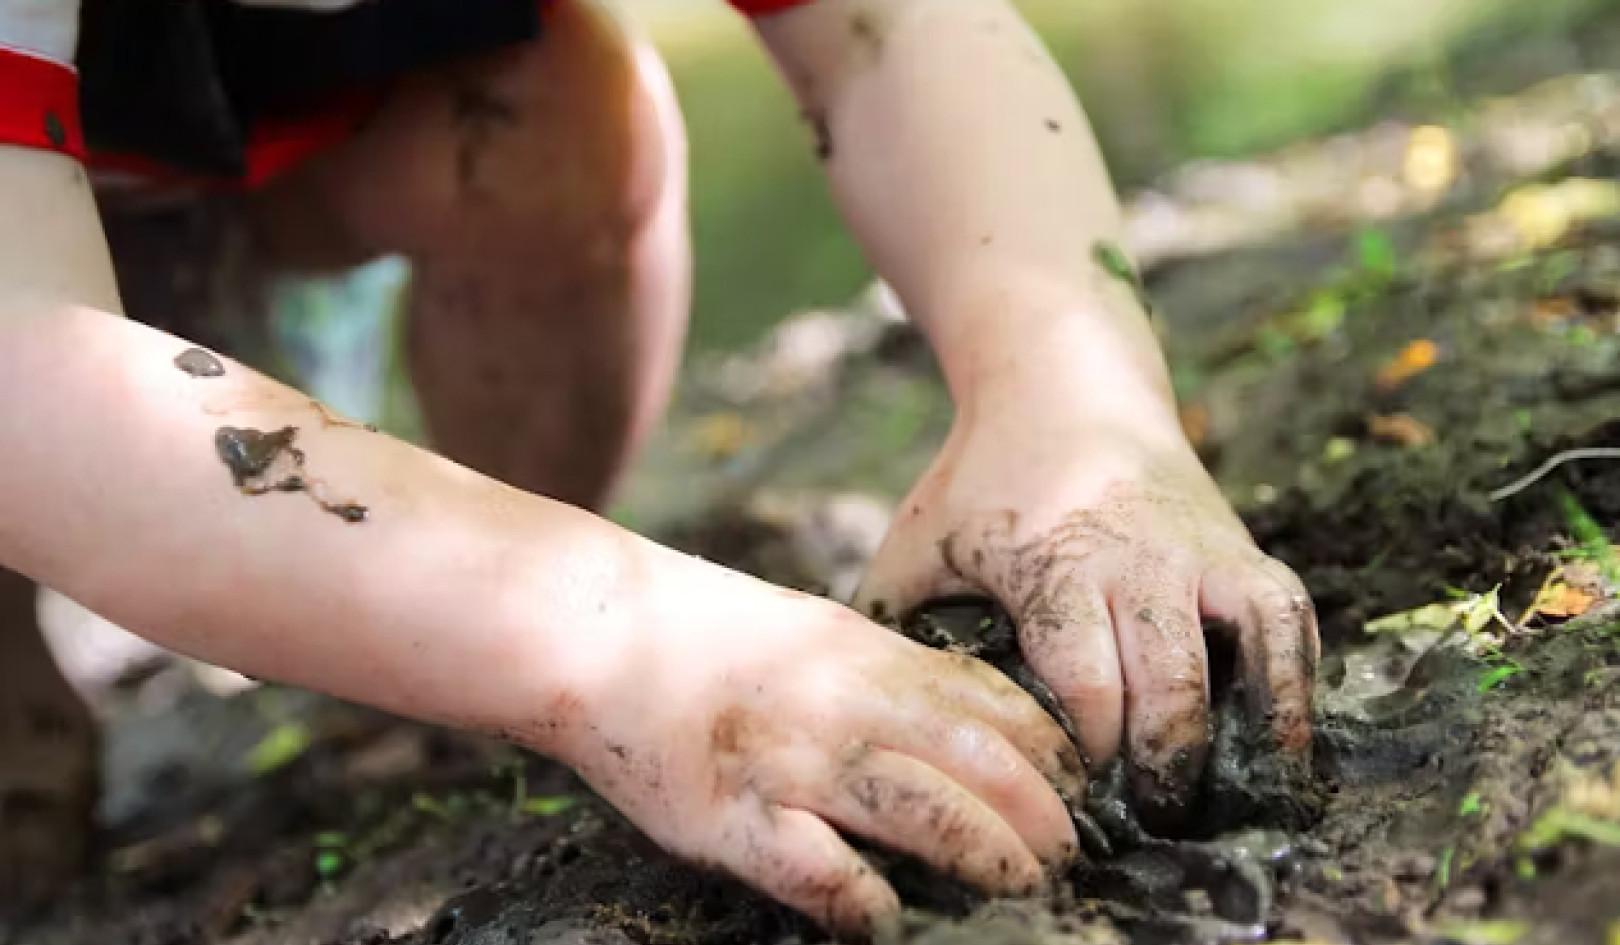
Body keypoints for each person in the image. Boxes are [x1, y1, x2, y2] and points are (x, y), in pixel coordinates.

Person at [0, 0, 1319, 932]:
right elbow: (29, 372)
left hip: (254, 139)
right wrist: (631, 635)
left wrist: (1071, 403)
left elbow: (892, 33)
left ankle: (423, 679)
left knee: (550, 109)